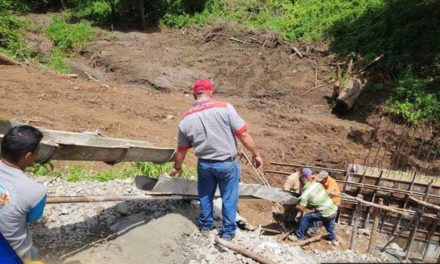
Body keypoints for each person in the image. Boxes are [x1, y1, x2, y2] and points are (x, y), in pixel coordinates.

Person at [170, 79, 263, 241]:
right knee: (229, 197)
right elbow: (243, 134)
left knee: (205, 196)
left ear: (194, 95)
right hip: (227, 163)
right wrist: (255, 154)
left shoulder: (185, 119)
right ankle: (227, 233)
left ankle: (206, 227)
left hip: (205, 164)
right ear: (211, 92)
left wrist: (177, 167)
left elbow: (181, 151)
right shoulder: (224, 108)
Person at [0, 125, 47, 260]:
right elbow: (32, 218)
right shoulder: (36, 191)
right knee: (33, 254)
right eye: (37, 152)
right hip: (12, 253)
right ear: (27, 156)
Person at [289, 167, 338, 244]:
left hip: (325, 212)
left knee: (305, 218)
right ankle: (333, 238)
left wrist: (297, 205)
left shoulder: (305, 194)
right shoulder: (317, 184)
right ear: (308, 180)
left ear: (301, 184)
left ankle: (298, 237)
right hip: (333, 209)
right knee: (327, 223)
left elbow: (301, 209)